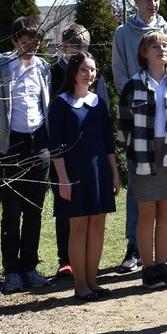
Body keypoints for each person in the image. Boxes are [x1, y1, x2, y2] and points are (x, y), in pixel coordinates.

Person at [112, 0, 167, 272]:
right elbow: (120, 74)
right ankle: (135, 249)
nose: (153, 3)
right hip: (142, 134)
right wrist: (140, 97)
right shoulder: (124, 33)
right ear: (137, 1)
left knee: (166, 202)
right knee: (143, 201)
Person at [0, 16, 52, 293]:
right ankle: (11, 270)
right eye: (25, 41)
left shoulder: (43, 67)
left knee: (35, 210)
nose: (31, 46)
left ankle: (29, 266)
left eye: (35, 41)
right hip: (11, 145)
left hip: (39, 144)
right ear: (14, 41)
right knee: (12, 211)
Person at [49, 52, 120, 301]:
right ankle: (80, 285)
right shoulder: (61, 103)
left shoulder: (98, 103)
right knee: (78, 228)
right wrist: (63, 180)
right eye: (84, 70)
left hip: (99, 172)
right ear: (73, 73)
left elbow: (108, 142)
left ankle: (93, 281)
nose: (89, 74)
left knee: (98, 227)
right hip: (74, 175)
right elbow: (55, 146)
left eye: (93, 69)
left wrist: (114, 172)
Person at [119, 32, 167, 290]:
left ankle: (162, 265)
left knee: (165, 213)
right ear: (144, 53)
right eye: (155, 45)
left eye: (166, 45)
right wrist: (133, 151)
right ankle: (148, 269)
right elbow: (123, 124)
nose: (162, 48)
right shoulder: (133, 84)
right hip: (143, 151)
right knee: (146, 215)